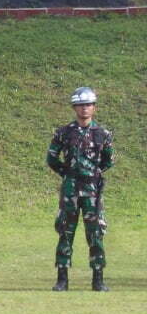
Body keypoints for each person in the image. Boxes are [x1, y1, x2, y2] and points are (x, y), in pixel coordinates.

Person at [47, 86, 113, 292]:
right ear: (74, 108)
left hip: (92, 191)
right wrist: (67, 174)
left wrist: (93, 174)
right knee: (65, 232)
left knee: (95, 233)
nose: (85, 108)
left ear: (94, 107)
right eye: (81, 105)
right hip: (71, 191)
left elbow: (109, 160)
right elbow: (52, 158)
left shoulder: (102, 134)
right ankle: (62, 279)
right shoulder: (63, 133)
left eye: (88, 104)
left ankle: (98, 279)